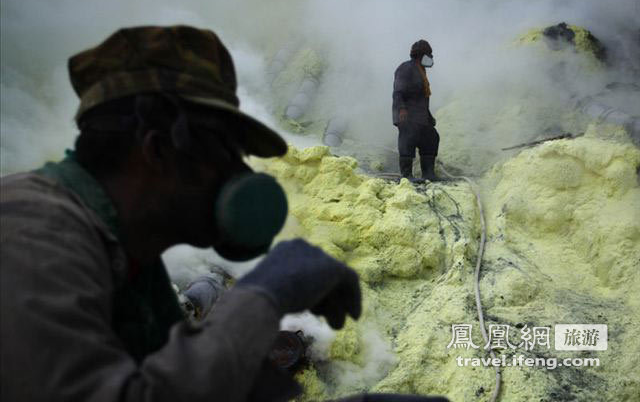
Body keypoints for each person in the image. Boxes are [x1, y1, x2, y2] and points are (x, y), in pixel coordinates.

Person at [0, 25, 447, 402]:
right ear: (157, 149)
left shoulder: (135, 262)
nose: (238, 172)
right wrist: (260, 298)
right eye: (224, 152)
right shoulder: (30, 234)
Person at [392, 39, 441, 182]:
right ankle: (407, 176)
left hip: (421, 116)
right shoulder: (406, 68)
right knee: (408, 140)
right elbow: (398, 92)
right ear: (421, 55)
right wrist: (401, 109)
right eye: (429, 54)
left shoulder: (421, 71)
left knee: (431, 138)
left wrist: (429, 117)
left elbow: (422, 99)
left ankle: (428, 174)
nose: (431, 58)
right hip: (407, 115)